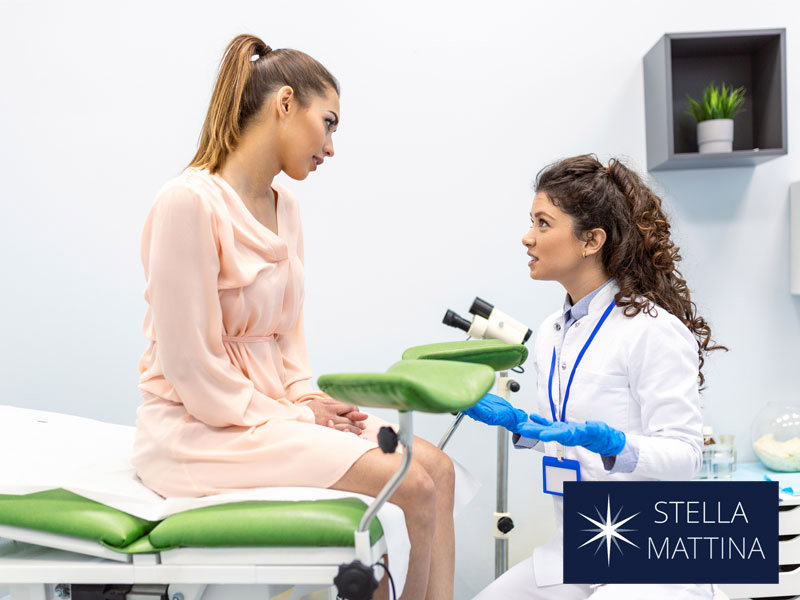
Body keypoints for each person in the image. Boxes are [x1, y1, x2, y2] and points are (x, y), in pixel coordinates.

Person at [132, 34, 455, 600]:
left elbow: (289, 339)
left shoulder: (289, 209)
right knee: (411, 485)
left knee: (438, 470)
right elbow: (193, 370)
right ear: (285, 104)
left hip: (274, 416)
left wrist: (306, 398)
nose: (330, 147)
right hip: (202, 431)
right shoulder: (187, 202)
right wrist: (298, 418)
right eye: (328, 123)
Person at [466, 155, 726, 599]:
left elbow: (686, 455)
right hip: (583, 543)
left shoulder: (653, 330)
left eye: (543, 224)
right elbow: (566, 432)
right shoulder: (552, 332)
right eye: (531, 222)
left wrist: (616, 446)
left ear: (592, 240)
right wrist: (523, 428)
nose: (528, 237)